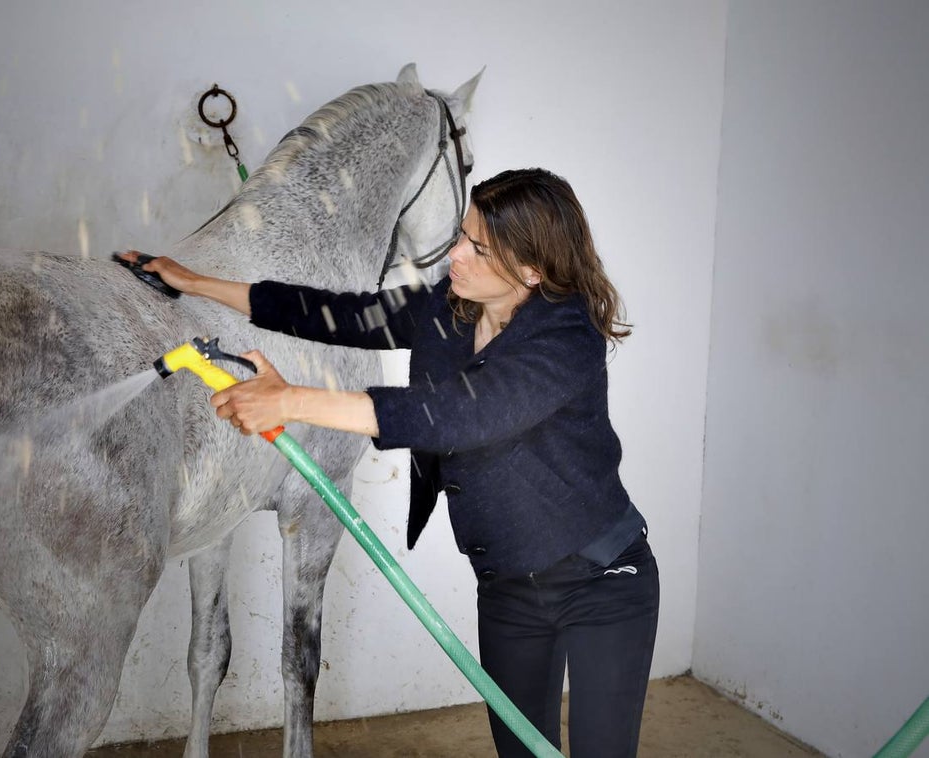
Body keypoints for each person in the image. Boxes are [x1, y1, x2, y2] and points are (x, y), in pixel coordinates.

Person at [122, 167, 659, 758]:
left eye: (476, 248)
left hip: (602, 581)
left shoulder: (567, 338)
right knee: (523, 753)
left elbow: (457, 414)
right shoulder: (450, 306)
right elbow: (338, 315)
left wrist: (291, 400)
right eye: (461, 234)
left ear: (530, 270)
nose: (454, 254)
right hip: (508, 587)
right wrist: (196, 283)